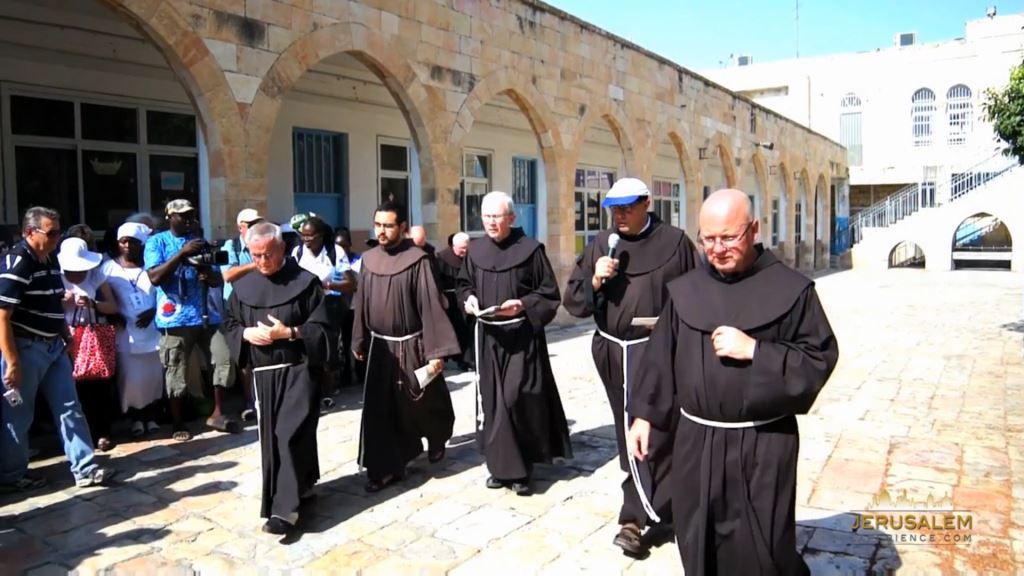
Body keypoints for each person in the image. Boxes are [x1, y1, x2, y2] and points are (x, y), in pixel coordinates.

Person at [627, 189, 839, 575]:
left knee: (762, 546)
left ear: (754, 230)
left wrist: (757, 351)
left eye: (729, 237)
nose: (717, 248)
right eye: (708, 239)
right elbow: (659, 358)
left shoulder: (792, 290)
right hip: (695, 440)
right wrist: (644, 416)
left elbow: (818, 358)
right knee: (697, 535)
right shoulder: (685, 290)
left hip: (762, 443)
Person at [563, 177, 698, 556]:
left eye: (627, 208)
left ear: (647, 204)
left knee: (661, 428)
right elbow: (574, 301)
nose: (619, 216)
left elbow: (696, 293)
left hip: (662, 353)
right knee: (629, 432)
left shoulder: (675, 243)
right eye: (614, 209)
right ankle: (638, 514)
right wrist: (595, 278)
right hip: (615, 353)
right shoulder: (601, 246)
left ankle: (650, 513)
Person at [222, 222, 333, 535]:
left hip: (299, 369)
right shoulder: (243, 288)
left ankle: (285, 511)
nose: (261, 261)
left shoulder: (306, 283)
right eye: (255, 255)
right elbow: (228, 324)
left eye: (267, 254)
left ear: (282, 248)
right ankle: (304, 485)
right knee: (275, 440)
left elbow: (325, 328)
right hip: (264, 376)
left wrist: (292, 333)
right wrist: (245, 333)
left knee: (289, 434)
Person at [457, 191, 572, 496]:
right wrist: (467, 299)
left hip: (521, 337)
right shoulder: (475, 250)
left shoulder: (531, 250)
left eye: (497, 216)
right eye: (487, 217)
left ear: (512, 217)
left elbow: (549, 294)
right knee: (493, 402)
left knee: (516, 398)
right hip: (488, 337)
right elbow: (463, 283)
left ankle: (522, 469)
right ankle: (500, 467)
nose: (492, 222)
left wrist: (522, 304)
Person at [0, 207, 115, 491]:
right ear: (30, 232)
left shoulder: (49, 259)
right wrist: (12, 361)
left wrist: (67, 337)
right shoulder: (17, 263)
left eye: (58, 233)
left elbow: (53, 302)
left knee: (70, 408)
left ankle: (85, 469)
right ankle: (12, 477)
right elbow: (2, 315)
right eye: (51, 233)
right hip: (26, 348)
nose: (56, 238)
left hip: (54, 346)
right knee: (19, 415)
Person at [352, 202, 460, 492]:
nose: (382, 231)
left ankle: (437, 437)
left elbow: (431, 304)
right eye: (378, 225)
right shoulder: (369, 259)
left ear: (402, 227)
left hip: (414, 345)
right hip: (380, 348)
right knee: (380, 410)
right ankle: (386, 468)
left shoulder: (418, 260)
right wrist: (358, 338)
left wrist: (436, 352)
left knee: (423, 401)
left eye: (388, 226)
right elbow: (362, 301)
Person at [144, 199, 236, 441]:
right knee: (176, 370)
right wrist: (182, 254)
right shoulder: (157, 242)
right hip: (174, 318)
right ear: (169, 217)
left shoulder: (200, 242)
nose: (188, 219)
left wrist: (207, 273)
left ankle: (217, 412)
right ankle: (178, 422)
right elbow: (154, 276)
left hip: (208, 313)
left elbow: (218, 279)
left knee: (222, 360)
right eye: (182, 215)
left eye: (191, 215)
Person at [58, 237, 120, 453]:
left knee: (98, 386)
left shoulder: (96, 275)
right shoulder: (57, 278)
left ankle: (102, 432)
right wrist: (61, 300)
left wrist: (93, 303)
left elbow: (112, 306)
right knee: (70, 390)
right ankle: (77, 438)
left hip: (93, 337)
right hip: (66, 338)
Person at [103, 223, 164, 437]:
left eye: (133, 241)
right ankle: (136, 418)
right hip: (126, 333)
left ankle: (152, 416)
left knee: (153, 377)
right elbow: (101, 297)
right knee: (131, 379)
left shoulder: (153, 266)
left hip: (152, 330)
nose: (128, 245)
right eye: (123, 241)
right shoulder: (108, 268)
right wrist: (112, 314)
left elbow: (166, 296)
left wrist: (154, 311)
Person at [293, 216, 355, 407]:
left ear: (320, 236)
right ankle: (308, 390)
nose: (306, 239)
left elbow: (350, 283)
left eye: (310, 236)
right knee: (305, 347)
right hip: (304, 306)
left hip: (328, 304)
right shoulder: (297, 252)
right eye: (303, 235)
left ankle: (327, 391)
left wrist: (325, 285)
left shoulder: (335, 252)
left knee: (326, 347)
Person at [222, 208, 264, 421]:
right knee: (244, 355)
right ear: (241, 227)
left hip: (260, 303)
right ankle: (249, 401)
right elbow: (228, 274)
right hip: (238, 305)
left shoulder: (263, 242)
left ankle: (262, 398)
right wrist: (256, 263)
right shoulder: (231, 246)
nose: (257, 226)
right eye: (251, 223)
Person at [435, 232, 473, 370]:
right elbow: (436, 280)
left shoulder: (470, 257)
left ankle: (464, 360)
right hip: (448, 300)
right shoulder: (441, 258)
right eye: (461, 249)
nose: (464, 252)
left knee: (464, 331)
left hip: (463, 299)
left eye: (466, 248)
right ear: (453, 246)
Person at [333, 228, 362, 387]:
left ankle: (359, 372)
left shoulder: (359, 261)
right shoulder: (334, 260)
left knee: (354, 340)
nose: (341, 250)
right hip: (338, 307)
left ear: (350, 244)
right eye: (338, 246)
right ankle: (343, 376)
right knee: (340, 343)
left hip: (355, 308)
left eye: (344, 246)